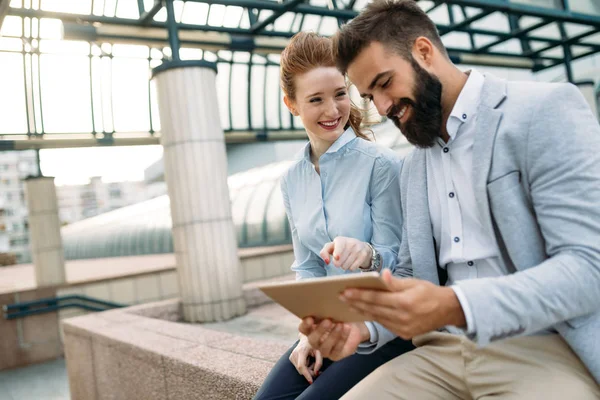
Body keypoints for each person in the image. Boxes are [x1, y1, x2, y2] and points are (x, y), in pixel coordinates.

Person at [299, 1, 600, 398]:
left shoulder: (543, 111)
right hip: (441, 354)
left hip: (546, 348)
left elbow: (588, 269)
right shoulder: (414, 168)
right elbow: (410, 277)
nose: (384, 107)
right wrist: (362, 327)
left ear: (424, 51)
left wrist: (455, 304)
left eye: (386, 82)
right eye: (371, 96)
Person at [253, 31, 414, 400]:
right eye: (316, 99)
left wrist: (367, 254)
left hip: (383, 327)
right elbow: (307, 267)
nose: (332, 110)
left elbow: (404, 263)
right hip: (330, 328)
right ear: (291, 104)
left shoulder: (382, 166)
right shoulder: (292, 179)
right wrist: (305, 334)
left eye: (340, 94)